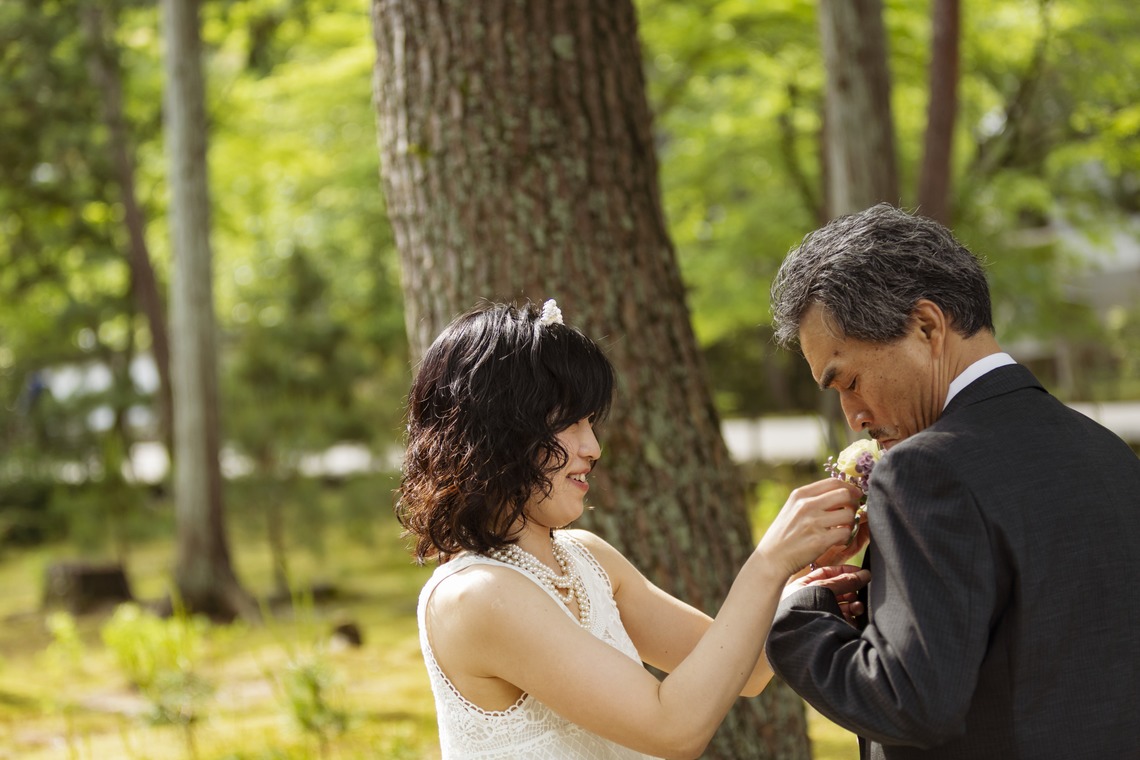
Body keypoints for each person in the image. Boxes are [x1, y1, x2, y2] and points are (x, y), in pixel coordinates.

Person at [397, 298, 868, 759]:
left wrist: (797, 581)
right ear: (496, 430)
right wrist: (767, 565)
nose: (593, 447)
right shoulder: (477, 595)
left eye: (590, 421)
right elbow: (674, 730)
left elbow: (745, 672)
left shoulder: (586, 558)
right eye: (568, 423)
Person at [764, 203, 1140, 760]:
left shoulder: (925, 469)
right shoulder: (1108, 453)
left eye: (849, 381)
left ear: (926, 326)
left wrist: (800, 620)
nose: (854, 417)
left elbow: (912, 702)